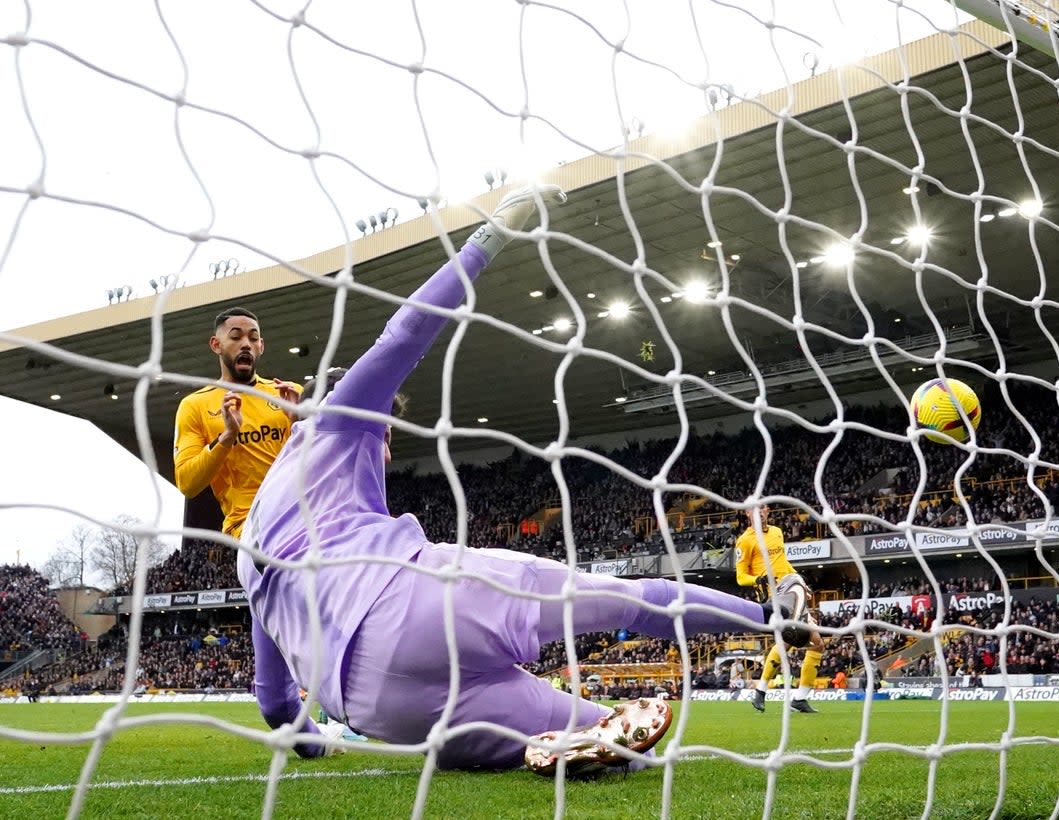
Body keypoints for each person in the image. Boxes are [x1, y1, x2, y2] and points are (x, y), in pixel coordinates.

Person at [238, 186, 776, 774]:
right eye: (388, 428)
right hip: (411, 602)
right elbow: (403, 335)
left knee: (618, 747)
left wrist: (317, 745)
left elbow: (274, 702)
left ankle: (553, 743)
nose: (387, 445)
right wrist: (488, 239)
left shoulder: (250, 548)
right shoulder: (339, 422)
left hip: (380, 708)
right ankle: (776, 620)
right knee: (628, 600)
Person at [173, 307, 300, 538]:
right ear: (215, 344)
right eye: (236, 337)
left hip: (301, 513)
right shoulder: (195, 405)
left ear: (261, 346)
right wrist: (227, 438)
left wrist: (300, 424)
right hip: (249, 527)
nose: (246, 344)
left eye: (253, 338)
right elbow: (187, 483)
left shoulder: (290, 396)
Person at [735, 505, 825, 714]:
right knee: (807, 642)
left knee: (813, 644)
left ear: (767, 511)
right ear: (747, 513)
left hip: (791, 591)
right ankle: (782, 695)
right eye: (754, 509)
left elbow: (783, 564)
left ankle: (774, 693)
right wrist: (758, 579)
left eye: (763, 508)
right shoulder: (745, 541)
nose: (759, 512)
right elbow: (740, 577)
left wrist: (801, 584)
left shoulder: (777, 532)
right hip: (774, 597)